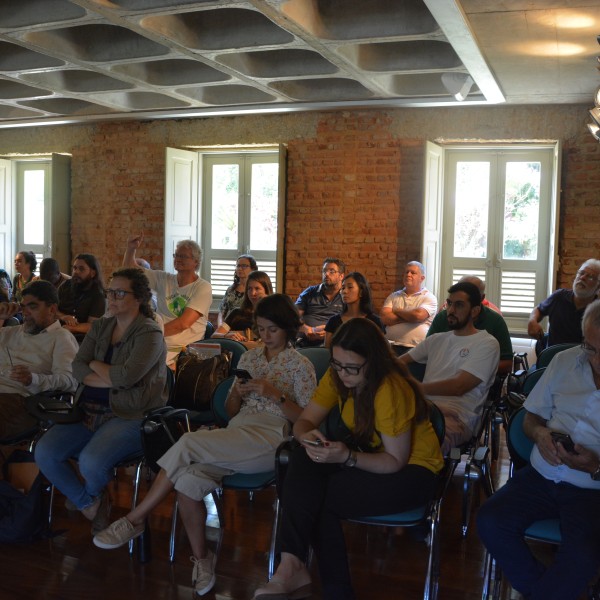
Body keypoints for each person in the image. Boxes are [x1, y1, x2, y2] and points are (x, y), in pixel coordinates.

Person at [92, 294, 317, 597]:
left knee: (187, 441)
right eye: (261, 329)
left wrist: (274, 393)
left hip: (272, 438)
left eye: (272, 330)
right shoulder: (250, 357)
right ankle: (202, 559)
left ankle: (135, 519)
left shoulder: (301, 365)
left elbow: (306, 420)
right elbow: (232, 411)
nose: (265, 336)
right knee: (186, 481)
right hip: (238, 432)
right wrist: (237, 393)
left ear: (289, 329)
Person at [254, 318, 444, 600]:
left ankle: (319, 582)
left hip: (414, 473)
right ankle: (291, 564)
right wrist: (312, 440)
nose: (343, 374)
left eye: (352, 368)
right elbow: (304, 422)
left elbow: (395, 461)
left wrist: (346, 456)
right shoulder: (338, 375)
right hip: (369, 459)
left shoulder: (389, 389)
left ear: (374, 362)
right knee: (301, 459)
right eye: (337, 364)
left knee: (319, 497)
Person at [477, 299, 600, 600]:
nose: (595, 359)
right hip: (541, 475)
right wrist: (541, 434)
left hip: (592, 489)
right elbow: (530, 418)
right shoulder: (566, 361)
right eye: (591, 348)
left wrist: (595, 466)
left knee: (583, 556)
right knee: (490, 521)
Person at [35, 268, 167, 535]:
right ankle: (91, 501)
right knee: (45, 452)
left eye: (120, 292)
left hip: (129, 414)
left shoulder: (149, 333)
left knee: (90, 462)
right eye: (110, 292)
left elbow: (126, 378)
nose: (112, 298)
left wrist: (95, 367)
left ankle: (88, 496)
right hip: (87, 410)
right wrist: (106, 374)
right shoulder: (103, 326)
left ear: (138, 298)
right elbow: (77, 367)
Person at [400, 281, 500, 453]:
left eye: (459, 305)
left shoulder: (487, 343)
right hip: (421, 408)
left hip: (457, 417)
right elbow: (398, 362)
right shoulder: (436, 339)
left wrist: (415, 388)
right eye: (449, 304)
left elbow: (459, 386)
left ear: (475, 311)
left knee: (414, 447)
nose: (451, 310)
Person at [0, 280, 79, 440]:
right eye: (23, 307)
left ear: (52, 309)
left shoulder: (61, 337)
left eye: (33, 306)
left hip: (21, 401)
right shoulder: (10, 332)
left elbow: (70, 381)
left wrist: (32, 379)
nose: (26, 312)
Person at [123, 233, 212, 350]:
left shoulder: (203, 287)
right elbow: (130, 272)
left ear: (196, 261)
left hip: (183, 349)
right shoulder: (163, 278)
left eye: (183, 256)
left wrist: (151, 333)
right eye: (176, 255)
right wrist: (131, 249)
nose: (178, 259)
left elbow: (183, 324)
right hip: (157, 342)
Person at [427, 275, 513, 375]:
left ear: (481, 298)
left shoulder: (495, 321)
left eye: (469, 293)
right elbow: (427, 352)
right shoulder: (443, 317)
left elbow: (507, 364)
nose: (462, 295)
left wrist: (472, 369)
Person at [528, 259, 600, 356]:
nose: (582, 278)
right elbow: (539, 309)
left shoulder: (597, 311)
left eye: (590, 277)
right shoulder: (559, 297)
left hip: (582, 364)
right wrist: (532, 320)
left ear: (598, 287)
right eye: (581, 273)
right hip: (552, 361)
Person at [380, 261, 437, 355]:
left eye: (413, 273)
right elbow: (385, 318)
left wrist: (396, 310)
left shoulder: (429, 297)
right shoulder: (393, 296)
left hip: (416, 349)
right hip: (391, 346)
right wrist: (410, 317)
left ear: (422, 278)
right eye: (406, 272)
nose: (408, 274)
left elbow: (418, 316)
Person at [324, 271, 385, 347]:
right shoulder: (333, 321)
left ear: (361, 292)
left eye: (350, 287)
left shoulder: (374, 321)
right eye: (343, 288)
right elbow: (327, 351)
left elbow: (382, 351)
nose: (345, 291)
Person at [295, 258, 345, 347]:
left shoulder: (346, 295)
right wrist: (306, 329)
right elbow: (292, 316)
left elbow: (351, 322)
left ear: (341, 276)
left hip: (335, 343)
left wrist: (330, 332)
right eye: (324, 271)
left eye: (331, 271)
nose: (326, 274)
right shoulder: (310, 292)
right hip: (306, 341)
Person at [213, 270, 272, 342]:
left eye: (257, 289)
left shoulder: (274, 314)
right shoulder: (236, 313)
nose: (253, 293)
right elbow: (214, 335)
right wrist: (226, 336)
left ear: (266, 291)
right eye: (249, 289)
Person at [57, 254, 106, 341]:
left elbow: (93, 326)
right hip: (58, 331)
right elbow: (51, 309)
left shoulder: (97, 295)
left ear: (93, 273)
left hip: (81, 339)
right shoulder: (66, 285)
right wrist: (64, 317)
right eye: (74, 268)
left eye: (81, 269)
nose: (76, 272)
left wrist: (72, 328)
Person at [217, 254, 258, 325]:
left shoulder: (255, 291)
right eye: (238, 266)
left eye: (244, 266)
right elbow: (221, 313)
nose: (240, 268)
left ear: (253, 269)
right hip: (226, 328)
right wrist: (220, 329)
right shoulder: (230, 289)